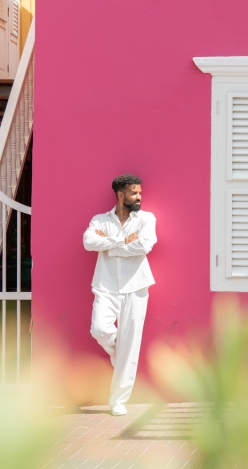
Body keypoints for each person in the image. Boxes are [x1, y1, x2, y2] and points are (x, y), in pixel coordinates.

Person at [82, 174, 157, 416]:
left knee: (131, 345)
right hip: (105, 286)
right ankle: (117, 352)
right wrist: (122, 241)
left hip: (136, 287)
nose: (139, 197)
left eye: (140, 193)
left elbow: (143, 246)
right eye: (135, 193)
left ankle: (118, 401)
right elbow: (88, 242)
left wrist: (110, 246)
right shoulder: (100, 220)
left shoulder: (146, 218)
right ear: (121, 195)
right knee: (100, 329)